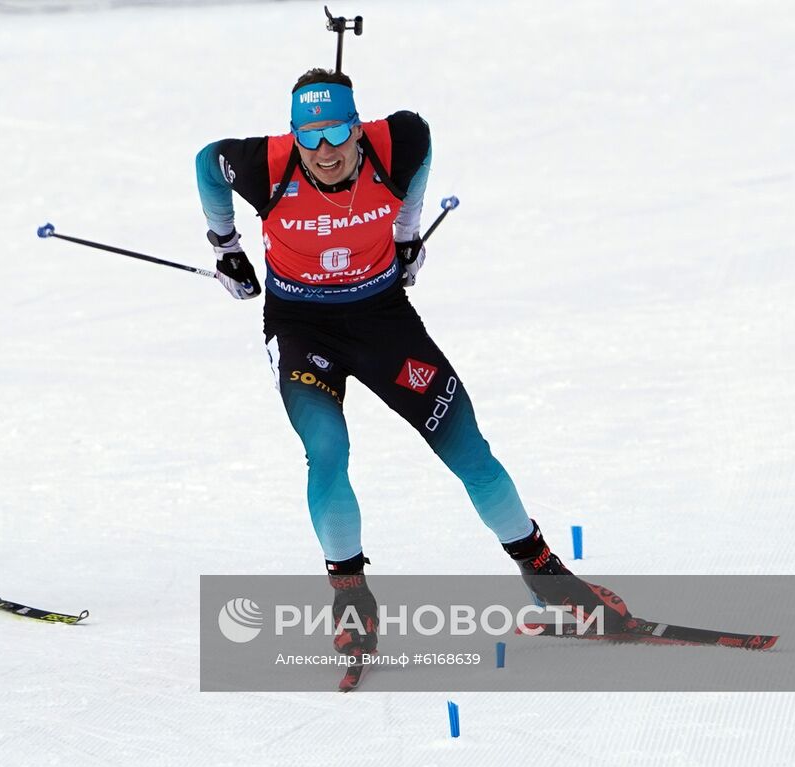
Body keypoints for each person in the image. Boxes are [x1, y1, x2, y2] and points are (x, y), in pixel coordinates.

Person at [194, 68, 628, 655]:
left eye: (336, 135)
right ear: (293, 135)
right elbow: (206, 162)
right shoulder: (263, 164)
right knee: (326, 450)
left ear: (358, 128)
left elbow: (421, 139)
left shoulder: (396, 143)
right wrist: (227, 248)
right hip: (301, 327)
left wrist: (406, 234)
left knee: (469, 449)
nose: (324, 152)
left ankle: (547, 583)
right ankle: (351, 600)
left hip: (383, 322)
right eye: (309, 137)